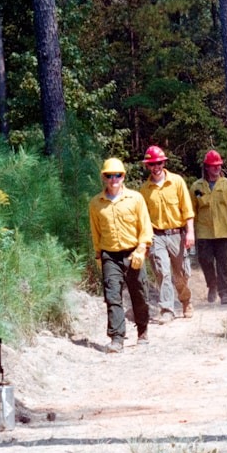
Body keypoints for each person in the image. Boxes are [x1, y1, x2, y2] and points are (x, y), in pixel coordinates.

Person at [88, 158, 153, 353]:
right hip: (110, 255)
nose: (113, 179)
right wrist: (99, 255)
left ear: (123, 176)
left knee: (139, 293)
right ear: (104, 178)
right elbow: (95, 231)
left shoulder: (135, 199)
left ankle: (142, 330)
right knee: (112, 295)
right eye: (109, 175)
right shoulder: (96, 204)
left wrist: (141, 249)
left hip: (133, 252)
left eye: (117, 175)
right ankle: (117, 338)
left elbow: (145, 226)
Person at [138, 145, 196, 322]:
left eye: (159, 163)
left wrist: (190, 232)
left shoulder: (177, 182)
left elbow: (187, 210)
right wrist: (144, 242)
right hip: (156, 236)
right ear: (148, 166)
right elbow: (143, 219)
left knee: (182, 274)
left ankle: (186, 300)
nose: (156, 167)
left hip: (177, 234)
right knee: (163, 272)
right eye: (152, 164)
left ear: (163, 163)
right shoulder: (144, 190)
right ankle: (167, 310)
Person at [190, 149, 227, 305]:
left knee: (223, 263)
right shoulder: (197, 187)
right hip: (204, 232)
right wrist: (189, 231)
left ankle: (225, 293)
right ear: (206, 167)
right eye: (213, 166)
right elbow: (191, 210)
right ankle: (212, 285)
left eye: (218, 165)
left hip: (223, 231)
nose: (216, 168)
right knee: (205, 261)